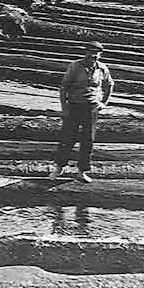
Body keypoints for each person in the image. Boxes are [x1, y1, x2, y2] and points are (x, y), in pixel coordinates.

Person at [49, 41, 114, 183]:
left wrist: (104, 103)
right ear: (86, 53)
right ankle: (59, 168)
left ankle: (82, 171)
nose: (93, 57)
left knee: (88, 140)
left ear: (99, 55)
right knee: (67, 138)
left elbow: (109, 85)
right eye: (90, 54)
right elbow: (63, 88)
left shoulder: (102, 68)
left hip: (91, 108)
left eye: (96, 55)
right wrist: (64, 108)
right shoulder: (75, 66)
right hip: (74, 106)